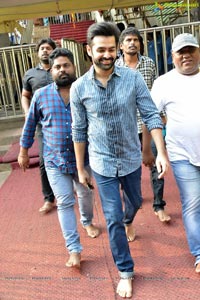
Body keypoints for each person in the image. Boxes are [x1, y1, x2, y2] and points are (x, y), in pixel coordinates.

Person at [70, 22, 169, 298]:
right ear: (89, 51)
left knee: (136, 202)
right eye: (100, 49)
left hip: (130, 159)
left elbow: (150, 115)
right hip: (101, 164)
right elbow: (78, 130)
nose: (106, 54)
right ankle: (126, 271)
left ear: (117, 50)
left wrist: (159, 151)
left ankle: (129, 219)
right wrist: (81, 168)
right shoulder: (79, 88)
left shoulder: (132, 78)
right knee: (112, 217)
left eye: (111, 49)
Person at [18, 48, 100, 268]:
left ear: (74, 67)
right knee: (64, 202)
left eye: (66, 65)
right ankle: (74, 249)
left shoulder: (85, 90)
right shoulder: (41, 95)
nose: (62, 70)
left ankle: (87, 221)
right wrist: (24, 151)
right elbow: (30, 124)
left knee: (85, 196)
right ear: (51, 71)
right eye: (57, 67)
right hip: (54, 160)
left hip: (84, 160)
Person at [148, 33, 200, 274]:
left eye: (190, 50)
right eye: (180, 52)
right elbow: (151, 117)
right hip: (182, 155)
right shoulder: (163, 83)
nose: (186, 55)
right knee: (192, 205)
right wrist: (156, 151)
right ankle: (199, 253)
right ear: (172, 56)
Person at [116, 27, 170, 236]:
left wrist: (162, 115)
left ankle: (159, 205)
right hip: (125, 127)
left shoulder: (149, 64)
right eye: (128, 40)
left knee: (156, 165)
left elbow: (155, 93)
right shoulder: (116, 66)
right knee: (128, 170)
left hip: (149, 122)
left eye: (135, 40)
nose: (132, 43)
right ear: (121, 45)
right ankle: (132, 203)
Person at [21, 38, 57, 214]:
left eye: (48, 48)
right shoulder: (30, 74)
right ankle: (49, 198)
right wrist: (28, 113)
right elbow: (25, 96)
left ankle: (74, 188)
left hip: (63, 122)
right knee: (43, 161)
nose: (45, 51)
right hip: (42, 125)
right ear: (37, 52)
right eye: (42, 48)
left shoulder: (61, 69)